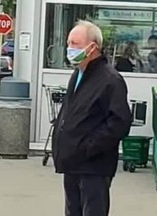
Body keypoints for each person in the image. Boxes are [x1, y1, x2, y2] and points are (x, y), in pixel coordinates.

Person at [52, 20, 132, 216]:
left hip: (93, 166)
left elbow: (119, 122)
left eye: (75, 44)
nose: (69, 48)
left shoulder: (110, 79)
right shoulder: (78, 74)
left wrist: (88, 147)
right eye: (68, 43)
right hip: (72, 163)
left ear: (92, 47)